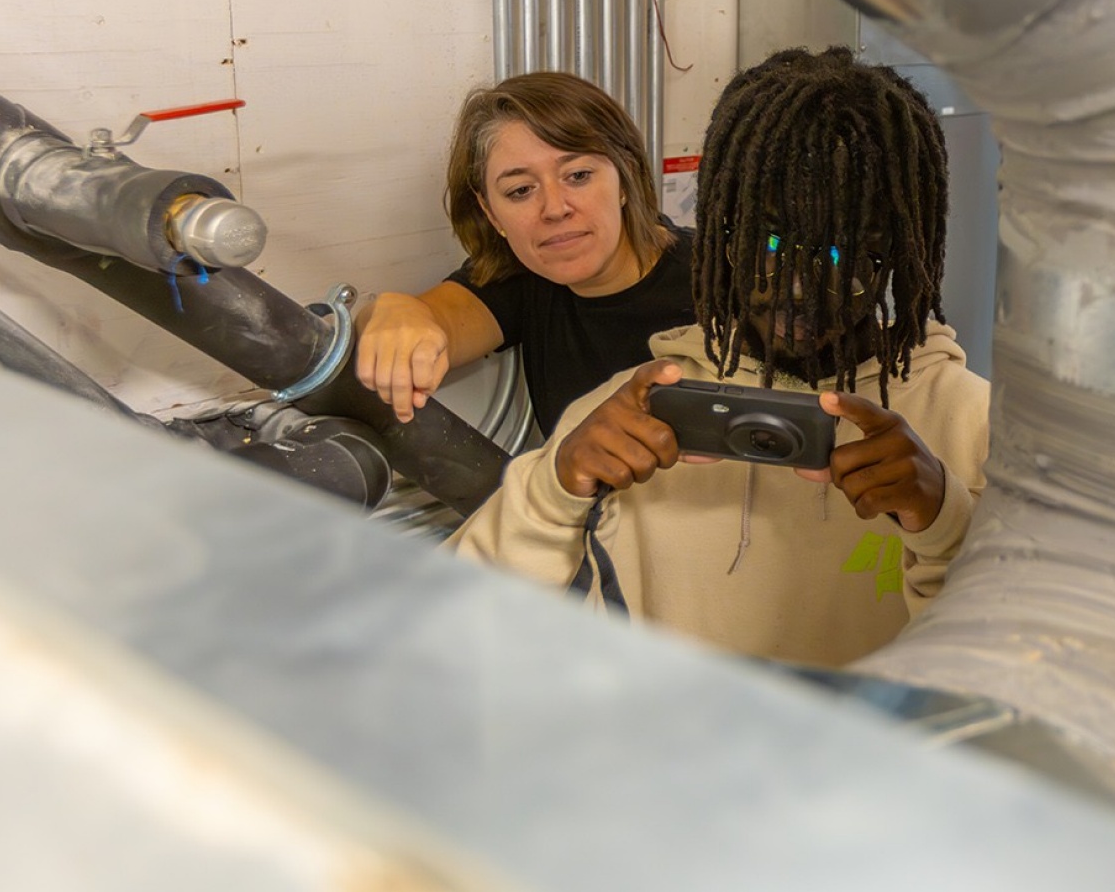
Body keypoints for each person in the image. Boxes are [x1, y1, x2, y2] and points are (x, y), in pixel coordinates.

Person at [451, 46, 990, 667]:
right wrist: (552, 492)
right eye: (768, 241)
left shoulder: (968, 425)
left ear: (898, 252)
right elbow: (454, 631)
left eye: (842, 253)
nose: (797, 284)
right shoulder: (633, 412)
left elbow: (1034, 684)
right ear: (719, 233)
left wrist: (947, 524)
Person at [355, 72, 695, 441]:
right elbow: (428, 321)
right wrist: (392, 312)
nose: (554, 208)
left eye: (578, 175)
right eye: (520, 191)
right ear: (491, 213)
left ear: (625, 177)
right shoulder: (527, 279)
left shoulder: (718, 282)